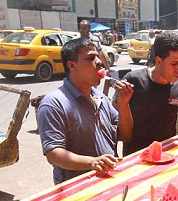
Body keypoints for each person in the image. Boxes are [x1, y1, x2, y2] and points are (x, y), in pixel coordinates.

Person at [36, 37, 120, 184]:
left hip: (107, 181)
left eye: (98, 57)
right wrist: (92, 162)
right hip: (77, 189)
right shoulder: (53, 103)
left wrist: (124, 104)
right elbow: (54, 154)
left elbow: (124, 134)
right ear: (72, 65)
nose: (99, 62)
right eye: (91, 58)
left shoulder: (100, 97)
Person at [116, 31, 178, 154]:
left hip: (167, 155)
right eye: (174, 64)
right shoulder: (133, 80)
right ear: (159, 61)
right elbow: (121, 131)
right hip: (137, 156)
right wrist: (123, 103)